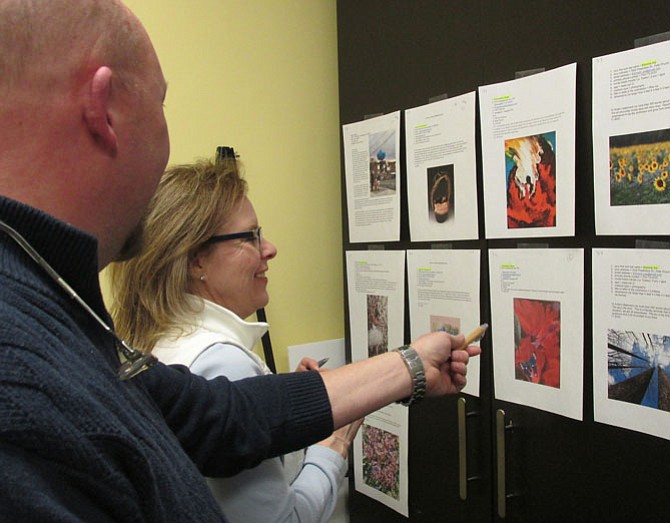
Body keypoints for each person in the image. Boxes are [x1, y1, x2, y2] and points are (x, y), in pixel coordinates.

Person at [0, 1, 480, 521]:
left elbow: (221, 419)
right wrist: (338, 441)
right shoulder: (18, 351)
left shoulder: (51, 299)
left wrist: (409, 365)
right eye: (161, 104)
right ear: (105, 107)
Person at [110, 157, 362, 523]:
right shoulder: (221, 362)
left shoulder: (155, 340)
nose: (269, 248)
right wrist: (333, 444)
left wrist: (280, 395)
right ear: (196, 260)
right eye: (250, 236)